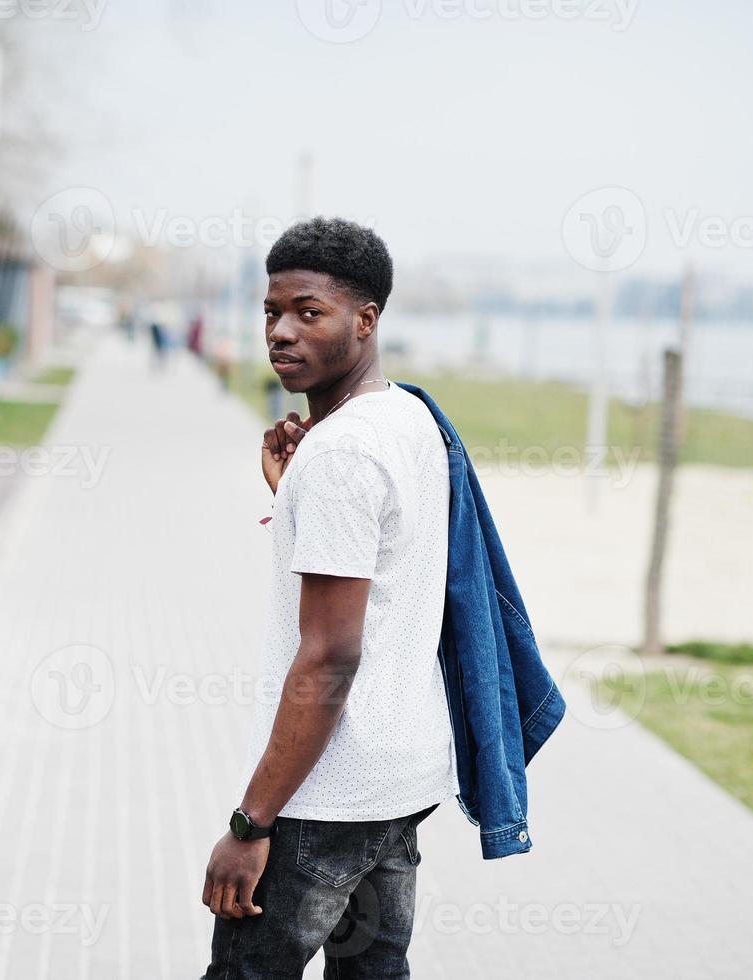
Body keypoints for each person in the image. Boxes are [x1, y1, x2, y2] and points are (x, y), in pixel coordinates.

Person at [201, 217, 457, 978]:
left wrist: (251, 823)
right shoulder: (409, 418)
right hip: (399, 775)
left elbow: (331, 654)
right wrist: (292, 500)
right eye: (271, 314)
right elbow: (385, 569)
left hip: (327, 794)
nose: (280, 332)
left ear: (365, 319)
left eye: (307, 312)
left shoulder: (341, 453)